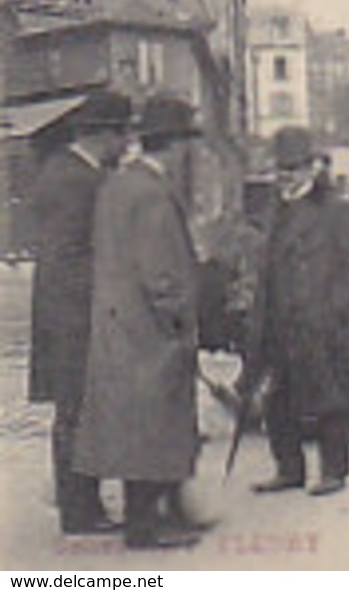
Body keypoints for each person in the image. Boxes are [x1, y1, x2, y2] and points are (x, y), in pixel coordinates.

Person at [73, 95, 205, 550]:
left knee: (135, 423)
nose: (190, 152)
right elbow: (160, 270)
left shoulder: (117, 184)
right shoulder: (151, 192)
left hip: (118, 323)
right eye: (187, 142)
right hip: (149, 328)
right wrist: (179, 319)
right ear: (174, 144)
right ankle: (145, 528)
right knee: (154, 422)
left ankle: (162, 515)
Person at [246, 127, 349, 497]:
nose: (286, 176)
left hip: (321, 322)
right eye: (281, 169)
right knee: (278, 399)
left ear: (310, 169)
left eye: (294, 168)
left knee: (330, 395)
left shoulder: (335, 210)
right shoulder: (276, 210)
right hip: (280, 320)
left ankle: (334, 471)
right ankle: (289, 470)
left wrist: (333, 310)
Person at [26, 91, 131, 536]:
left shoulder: (63, 172)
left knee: (80, 410)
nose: (126, 145)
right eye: (123, 134)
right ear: (102, 135)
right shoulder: (78, 181)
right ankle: (78, 510)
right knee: (77, 410)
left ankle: (81, 503)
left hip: (64, 311)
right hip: (75, 316)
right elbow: (69, 257)